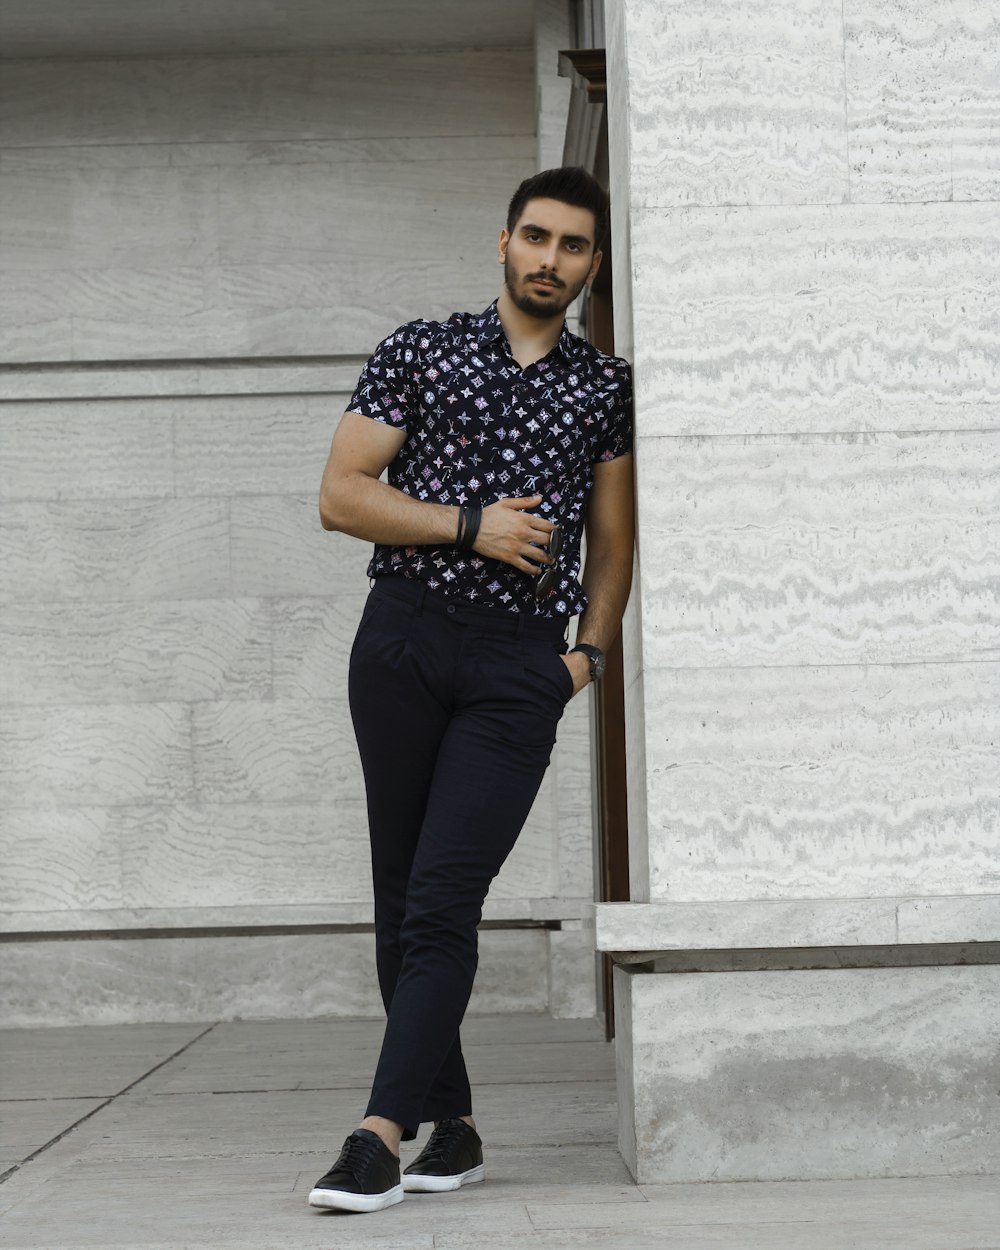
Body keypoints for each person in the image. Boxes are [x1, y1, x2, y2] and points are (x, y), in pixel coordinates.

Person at [309, 166, 634, 1214]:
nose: (550, 258)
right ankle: (450, 1123)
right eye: (535, 237)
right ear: (503, 242)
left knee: (446, 894)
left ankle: (377, 1134)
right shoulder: (419, 349)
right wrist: (468, 522)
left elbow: (614, 543)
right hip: (401, 637)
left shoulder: (604, 385)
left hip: (516, 664)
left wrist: (583, 657)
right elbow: (342, 494)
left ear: (590, 264)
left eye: (572, 245)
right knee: (401, 899)